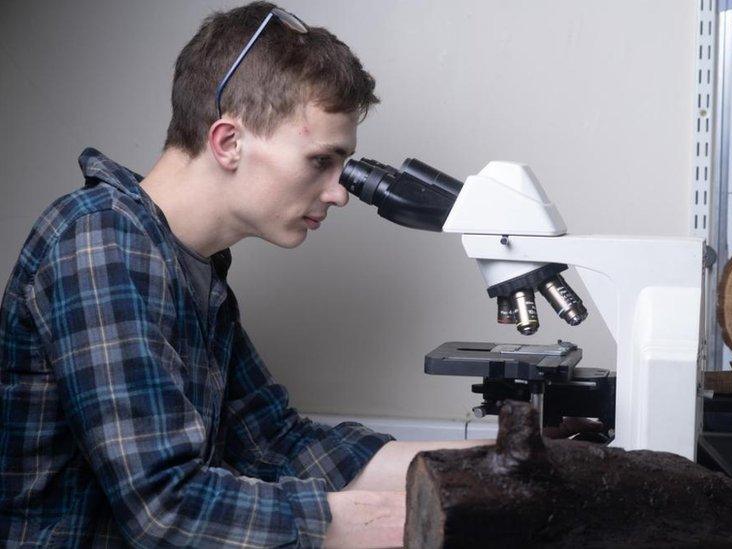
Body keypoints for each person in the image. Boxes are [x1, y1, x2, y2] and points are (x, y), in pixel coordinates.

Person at [0, 2, 489, 546]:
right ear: (228, 142)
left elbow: (277, 443)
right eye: (321, 161)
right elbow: (170, 511)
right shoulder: (99, 241)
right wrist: (418, 518)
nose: (339, 192)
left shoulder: (192, 267)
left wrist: (494, 469)